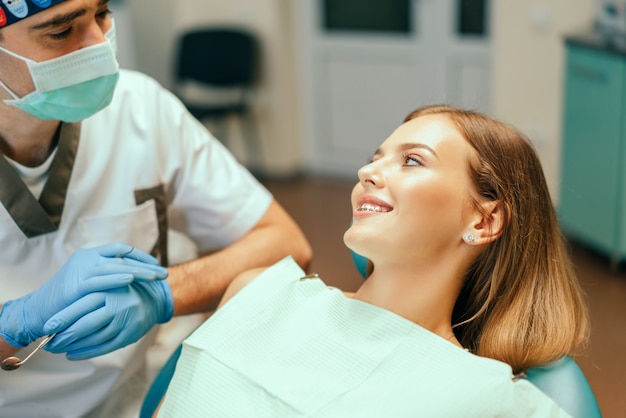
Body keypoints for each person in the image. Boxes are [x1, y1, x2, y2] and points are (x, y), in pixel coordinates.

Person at [156, 105, 590, 417]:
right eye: (374, 158)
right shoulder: (257, 290)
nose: (368, 172)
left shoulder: (491, 399)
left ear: (484, 218)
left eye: (412, 160)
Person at [0, 1, 311, 417]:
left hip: (130, 405)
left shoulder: (140, 108)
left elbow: (287, 244)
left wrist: (163, 295)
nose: (99, 46)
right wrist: (14, 324)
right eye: (60, 31)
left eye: (102, 14)